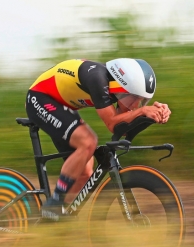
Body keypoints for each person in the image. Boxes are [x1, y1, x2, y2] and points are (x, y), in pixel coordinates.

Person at [25, 58, 171, 221]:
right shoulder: (98, 79)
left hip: (61, 104)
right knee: (88, 142)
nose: (135, 105)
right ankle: (55, 202)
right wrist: (142, 111)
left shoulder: (114, 86)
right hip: (39, 98)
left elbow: (122, 129)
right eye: (134, 98)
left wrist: (154, 115)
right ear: (122, 87)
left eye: (142, 101)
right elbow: (112, 124)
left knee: (85, 172)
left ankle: (55, 218)